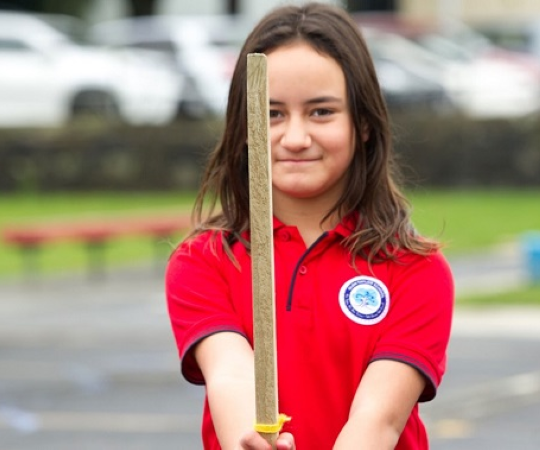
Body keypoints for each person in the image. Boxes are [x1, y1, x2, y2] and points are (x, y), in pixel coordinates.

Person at [165, 3, 454, 449]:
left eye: (321, 112)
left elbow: (378, 421)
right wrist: (253, 439)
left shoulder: (416, 270)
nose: (296, 138)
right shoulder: (203, 262)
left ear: (362, 124)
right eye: (273, 114)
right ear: (244, 127)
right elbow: (230, 376)